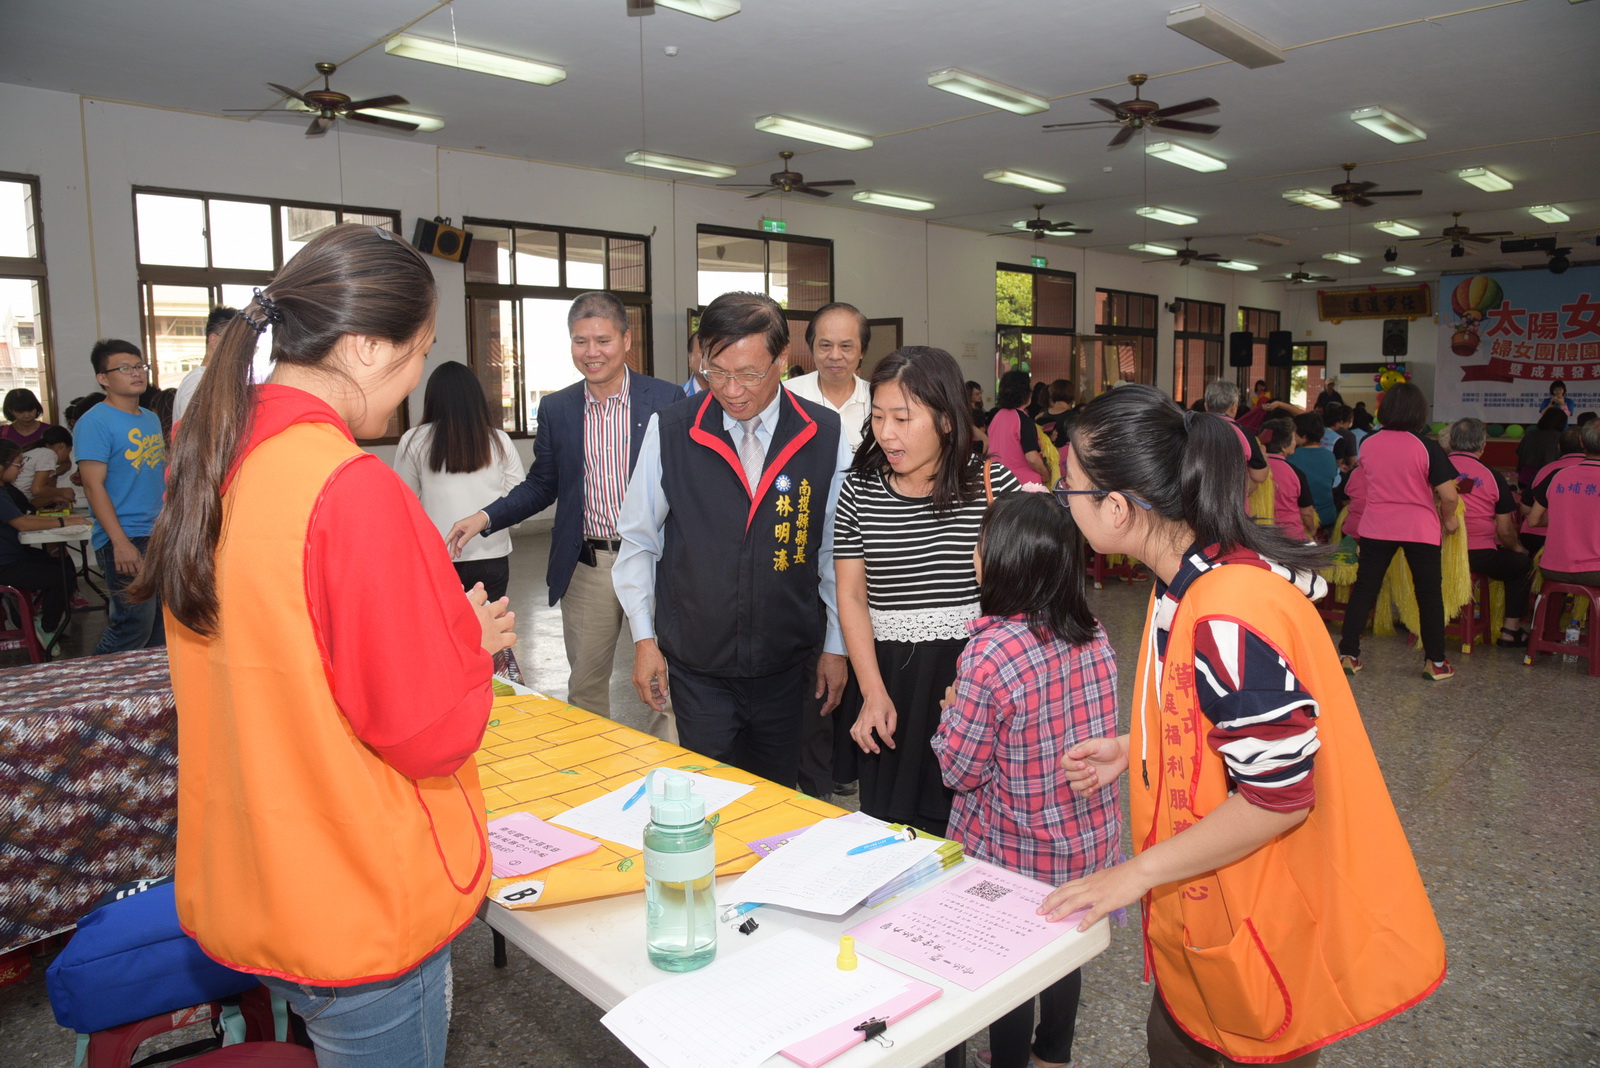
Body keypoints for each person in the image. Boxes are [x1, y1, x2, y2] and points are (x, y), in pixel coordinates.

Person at [132, 225, 515, 1068]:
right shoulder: (348, 487)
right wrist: (469, 645)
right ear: (371, 347)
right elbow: (425, 729)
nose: (418, 376)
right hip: (353, 885)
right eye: (420, 351)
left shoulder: (213, 459)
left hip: (260, 869)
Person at [1042, 384, 1445, 1067]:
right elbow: (1216, 720)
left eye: (1067, 488)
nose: (1062, 500)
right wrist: (1133, 746)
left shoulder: (1227, 612)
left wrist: (1133, 875)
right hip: (1212, 912)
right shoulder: (1197, 577)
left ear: (1116, 507)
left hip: (1255, 922)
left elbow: (1279, 795)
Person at [613, 291, 851, 787]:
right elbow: (638, 541)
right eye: (715, 372)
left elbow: (835, 553)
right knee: (709, 799)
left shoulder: (824, 434)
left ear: (782, 360)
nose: (731, 390)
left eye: (749, 374)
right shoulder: (673, 429)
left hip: (788, 667)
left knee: (778, 804)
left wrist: (835, 645)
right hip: (699, 667)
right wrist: (643, 639)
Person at [930, 491, 1117, 1068]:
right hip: (1083, 849)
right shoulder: (1095, 633)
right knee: (1063, 956)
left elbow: (959, 770)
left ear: (1004, 559)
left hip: (1014, 854)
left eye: (982, 543)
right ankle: (1054, 1055)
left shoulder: (990, 652)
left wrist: (950, 711)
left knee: (1007, 966)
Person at [445, 292, 681, 722]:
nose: (592, 353)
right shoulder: (559, 408)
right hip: (588, 565)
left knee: (669, 684)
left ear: (627, 341)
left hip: (658, 563)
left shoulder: (668, 401)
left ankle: (675, 778)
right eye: (580, 341)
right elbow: (542, 484)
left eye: (603, 340)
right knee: (586, 689)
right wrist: (485, 516)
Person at [837, 346, 1020, 835]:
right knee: (889, 833)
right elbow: (852, 597)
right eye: (877, 417)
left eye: (902, 417)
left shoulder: (991, 484)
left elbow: (1023, 597)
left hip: (968, 681)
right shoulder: (859, 490)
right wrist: (872, 694)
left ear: (944, 420)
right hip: (889, 681)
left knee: (966, 831)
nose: (886, 432)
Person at [785, 302, 872, 801]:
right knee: (815, 666)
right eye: (824, 345)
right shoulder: (787, 399)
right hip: (801, 552)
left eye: (846, 346)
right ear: (809, 347)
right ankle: (815, 775)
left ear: (862, 351)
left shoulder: (879, 402)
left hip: (867, 553)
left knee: (861, 663)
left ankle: (849, 763)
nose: (835, 356)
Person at [1335, 382, 1460, 680]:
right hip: (1419, 528)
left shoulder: (1370, 444)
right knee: (1428, 593)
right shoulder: (1426, 446)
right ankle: (1436, 662)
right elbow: (1450, 495)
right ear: (1419, 412)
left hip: (1377, 525)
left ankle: (1348, 655)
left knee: (1365, 589)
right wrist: (1450, 518)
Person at [396, 362, 525, 601]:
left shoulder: (413, 440)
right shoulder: (499, 440)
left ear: (432, 398)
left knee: (442, 635)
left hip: (438, 556)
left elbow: (404, 504)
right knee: (489, 634)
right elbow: (517, 500)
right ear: (476, 397)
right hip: (492, 555)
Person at [75, 340, 168, 654]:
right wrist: (120, 542)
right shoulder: (94, 422)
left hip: (157, 533)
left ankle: (146, 700)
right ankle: (93, 692)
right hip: (126, 537)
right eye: (125, 368)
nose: (136, 373)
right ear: (103, 378)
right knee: (131, 627)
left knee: (159, 629)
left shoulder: (150, 418)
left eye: (140, 366)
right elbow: (92, 486)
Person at [1444, 418, 1532, 646]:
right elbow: (1505, 530)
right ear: (1483, 446)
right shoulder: (1492, 476)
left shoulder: (1432, 469)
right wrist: (1517, 548)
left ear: (1452, 442)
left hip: (1435, 550)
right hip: (1478, 555)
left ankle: (1415, 621)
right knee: (1521, 563)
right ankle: (1510, 631)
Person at [1, 440, 88, 650]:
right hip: (5, 564)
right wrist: (63, 521)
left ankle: (41, 621)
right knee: (61, 576)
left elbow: (23, 515)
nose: (21, 470)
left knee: (63, 565)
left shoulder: (5, 489)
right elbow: (21, 523)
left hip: (14, 555)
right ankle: (45, 627)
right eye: (18, 465)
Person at [1525, 417, 1600, 585]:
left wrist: (1567, 518)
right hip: (1595, 570)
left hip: (1553, 567)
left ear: (1582, 441)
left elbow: (1533, 520)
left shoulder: (1559, 476)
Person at [1518, 427, 1585, 555]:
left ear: (1559, 447)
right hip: (1579, 540)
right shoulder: (1592, 471)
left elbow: (1525, 508)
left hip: (1536, 537)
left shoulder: (1545, 470)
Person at [171, 305, 239, 423]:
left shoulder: (221, 380)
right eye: (235, 340)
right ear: (214, 340)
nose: (240, 348)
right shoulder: (197, 381)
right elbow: (192, 436)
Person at [1201, 380, 1269, 488]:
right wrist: (1263, 454)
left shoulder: (1190, 428)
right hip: (1230, 499)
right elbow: (1259, 476)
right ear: (1234, 407)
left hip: (1193, 499)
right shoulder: (1244, 434)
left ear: (1206, 406)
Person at [988, 370, 1047, 485]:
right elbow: (1032, 458)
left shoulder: (997, 417)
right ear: (1025, 393)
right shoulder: (1024, 420)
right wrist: (1045, 474)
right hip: (1024, 487)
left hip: (998, 483)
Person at [1261, 417, 1315, 542]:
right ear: (1283, 446)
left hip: (1258, 536)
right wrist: (1311, 530)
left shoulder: (1250, 469)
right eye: (1293, 438)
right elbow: (1307, 512)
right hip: (1290, 538)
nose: (1295, 442)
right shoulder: (1295, 473)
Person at [1286, 411, 1338, 531]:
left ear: (1304, 436)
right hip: (1328, 516)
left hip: (1303, 520)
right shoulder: (1330, 456)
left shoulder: (1291, 457)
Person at [17, 425, 76, 508]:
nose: (67, 456)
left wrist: (53, 498)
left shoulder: (34, 451)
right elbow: (37, 489)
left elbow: (30, 502)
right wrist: (63, 491)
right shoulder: (49, 453)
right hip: (16, 501)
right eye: (69, 451)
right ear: (61, 446)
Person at [1516, 407, 1568, 491]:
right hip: (1548, 480)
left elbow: (1519, 452)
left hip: (1525, 478)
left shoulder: (1530, 434)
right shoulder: (1561, 437)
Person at [1034, 378, 1076, 447]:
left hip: (1044, 456)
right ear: (1071, 394)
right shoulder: (1074, 418)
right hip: (1066, 456)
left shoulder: (1040, 416)